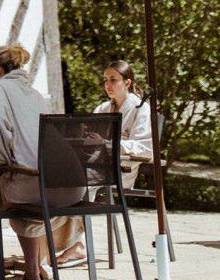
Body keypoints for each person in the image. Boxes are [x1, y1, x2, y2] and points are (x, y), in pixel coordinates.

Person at [0, 43, 85, 280]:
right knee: (28, 192)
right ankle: (36, 268)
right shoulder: (36, 94)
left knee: (12, 193)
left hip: (38, 186)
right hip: (73, 186)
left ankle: (32, 269)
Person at [54, 60, 154, 268]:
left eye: (113, 80)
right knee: (63, 180)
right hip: (96, 165)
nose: (108, 85)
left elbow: (145, 148)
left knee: (80, 185)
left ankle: (79, 244)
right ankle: (69, 241)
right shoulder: (102, 108)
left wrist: (107, 143)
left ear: (127, 83)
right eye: (105, 80)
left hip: (122, 169)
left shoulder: (140, 109)